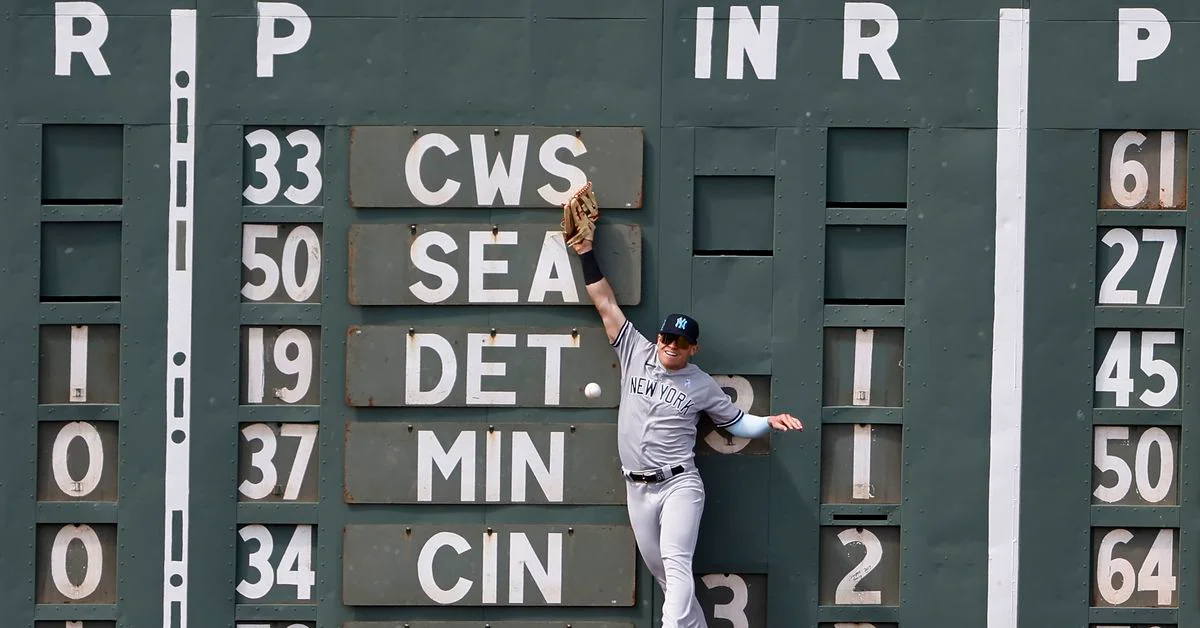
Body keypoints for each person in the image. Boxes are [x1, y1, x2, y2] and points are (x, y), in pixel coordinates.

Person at [568, 233, 803, 628]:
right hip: (637, 488)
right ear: (658, 336)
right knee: (665, 576)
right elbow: (604, 302)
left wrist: (767, 422)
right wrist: (585, 251)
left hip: (679, 485)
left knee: (677, 566)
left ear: (693, 348)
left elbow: (735, 422)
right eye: (667, 337)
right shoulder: (636, 352)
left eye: (681, 341)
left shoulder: (701, 384)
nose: (671, 345)